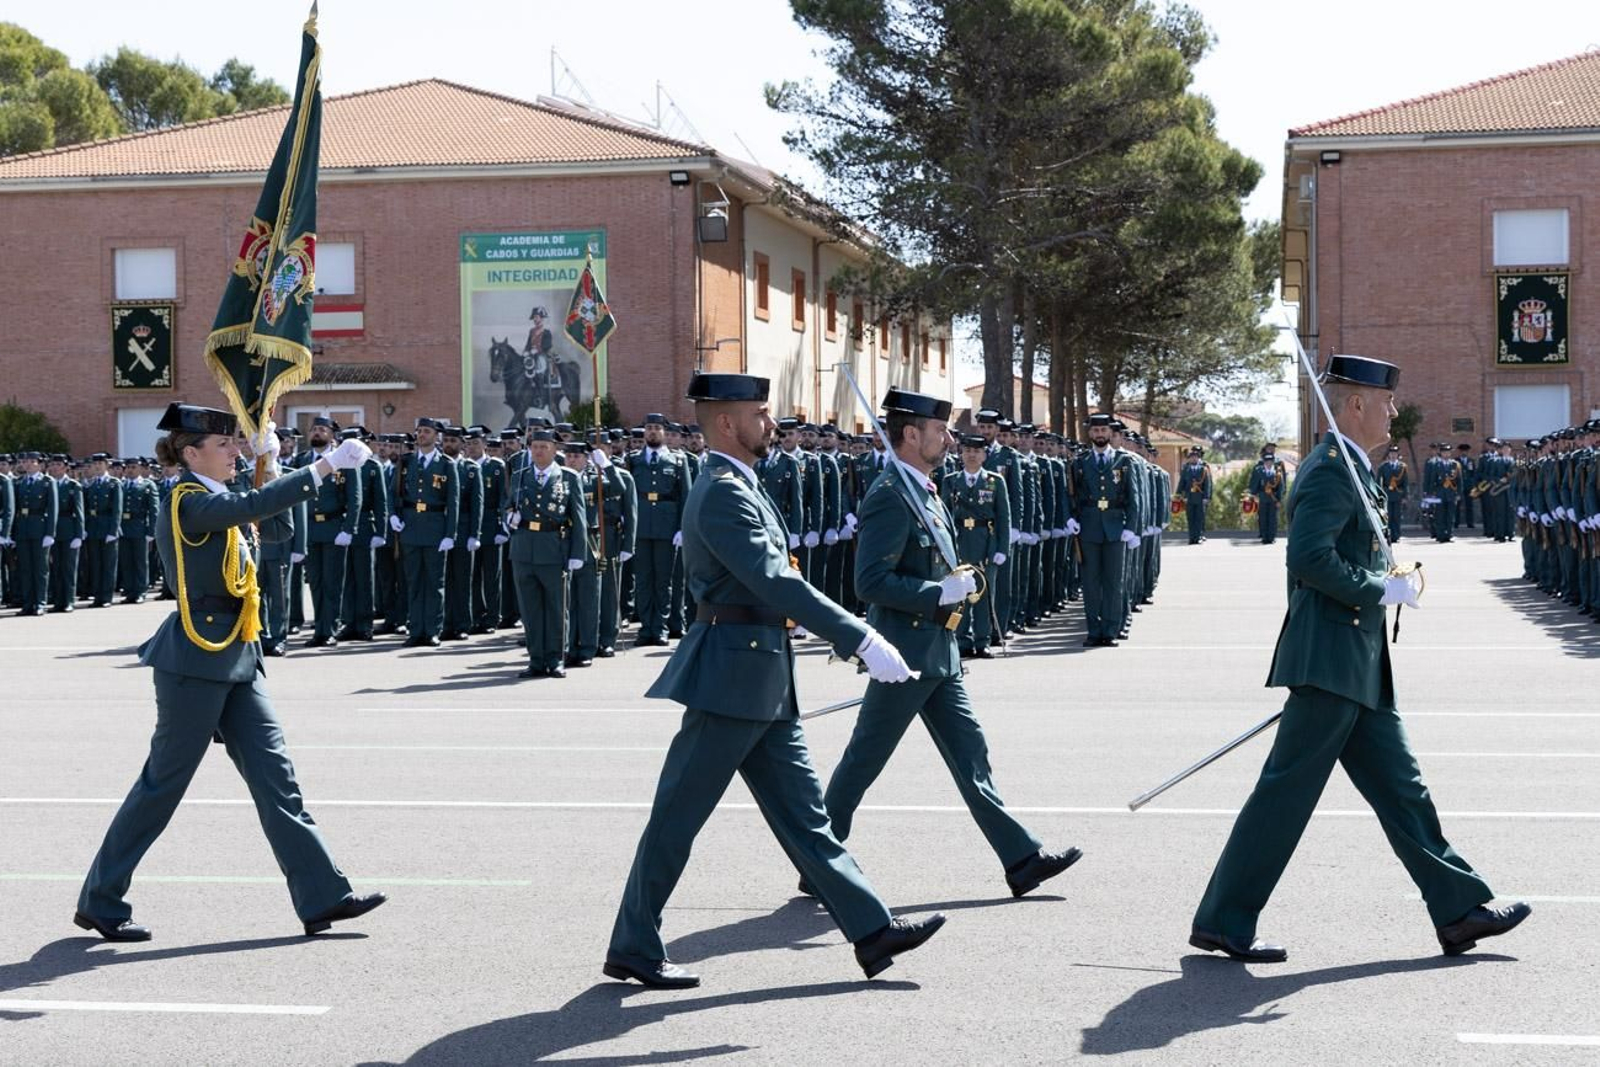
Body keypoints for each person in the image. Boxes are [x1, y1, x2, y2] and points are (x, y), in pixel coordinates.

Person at [606, 373, 945, 989]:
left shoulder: (743, 482)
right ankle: (633, 943)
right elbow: (775, 581)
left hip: (763, 672)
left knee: (807, 819)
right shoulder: (721, 490)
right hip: (731, 675)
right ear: (728, 424)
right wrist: (860, 636)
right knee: (678, 817)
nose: (771, 423)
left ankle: (870, 930)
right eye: (760, 413)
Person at [1189, 355, 1529, 963]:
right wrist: (1380, 590)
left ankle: (1457, 910)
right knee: (1285, 795)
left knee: (1405, 789)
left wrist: (1385, 577)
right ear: (1354, 406)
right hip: (1329, 658)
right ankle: (1224, 919)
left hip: (1359, 660)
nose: (1394, 413)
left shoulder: (1354, 468)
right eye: (1387, 402)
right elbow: (1309, 559)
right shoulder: (1328, 472)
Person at [74, 403, 386, 942]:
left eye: (239, 446)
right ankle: (100, 899)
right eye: (226, 446)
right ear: (191, 453)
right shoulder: (185, 501)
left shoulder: (223, 500)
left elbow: (279, 532)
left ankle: (322, 896)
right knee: (163, 786)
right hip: (196, 657)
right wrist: (320, 468)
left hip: (239, 653)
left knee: (276, 779)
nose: (236, 453)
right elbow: (251, 506)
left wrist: (274, 464)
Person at [819, 389, 1080, 898]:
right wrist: (936, 592)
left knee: (971, 755)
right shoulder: (890, 494)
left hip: (940, 650)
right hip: (905, 655)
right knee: (863, 762)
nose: (949, 439)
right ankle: (819, 860)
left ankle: (1021, 858)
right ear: (911, 435)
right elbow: (869, 581)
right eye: (939, 430)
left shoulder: (924, 489)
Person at [505, 429, 585, 678]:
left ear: (554, 450)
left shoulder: (568, 478)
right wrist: (509, 516)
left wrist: (577, 552)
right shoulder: (519, 476)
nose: (538, 451)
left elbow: (578, 518)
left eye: (543, 446)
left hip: (553, 548)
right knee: (530, 610)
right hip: (523, 549)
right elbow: (507, 505)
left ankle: (555, 658)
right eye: (534, 446)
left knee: (557, 608)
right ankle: (536, 659)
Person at [392, 417, 460, 647]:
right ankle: (415, 629)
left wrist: (450, 534)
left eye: (427, 431)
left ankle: (432, 630)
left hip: (435, 528)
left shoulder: (446, 464)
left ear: (437, 436)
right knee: (413, 581)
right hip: (410, 526)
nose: (422, 435)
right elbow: (395, 493)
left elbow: (454, 501)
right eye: (419, 431)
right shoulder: (406, 462)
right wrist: (394, 515)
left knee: (434, 583)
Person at [1071, 414, 1138, 647]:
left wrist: (1132, 528)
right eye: (1096, 431)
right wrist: (1070, 518)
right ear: (1090, 433)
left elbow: (1133, 497)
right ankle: (1093, 630)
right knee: (1090, 583)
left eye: (1104, 431)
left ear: (1110, 433)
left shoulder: (1124, 461)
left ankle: (1110, 630)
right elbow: (1071, 495)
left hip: (1115, 528)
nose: (1100, 435)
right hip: (1088, 528)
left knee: (1113, 582)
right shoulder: (1079, 462)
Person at [940, 434, 1009, 658]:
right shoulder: (950, 480)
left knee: (983, 594)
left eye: (977, 451)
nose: (972, 455)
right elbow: (943, 515)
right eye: (967, 450)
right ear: (960, 454)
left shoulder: (995, 481)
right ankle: (962, 640)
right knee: (960, 595)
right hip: (959, 542)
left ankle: (983, 640)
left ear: (984, 455)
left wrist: (1002, 549)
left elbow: (1003, 517)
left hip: (985, 542)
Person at [1247, 445, 1285, 545]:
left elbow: (1280, 487)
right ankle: (1264, 537)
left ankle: (1271, 537)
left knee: (1272, 518)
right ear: (1264, 461)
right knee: (1263, 518)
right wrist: (1253, 495)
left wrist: (1279, 500)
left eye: (1270, 462)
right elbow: (1253, 484)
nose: (1268, 464)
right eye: (1267, 462)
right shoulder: (1259, 471)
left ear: (1273, 462)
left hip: (1273, 498)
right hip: (1262, 497)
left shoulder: (1277, 472)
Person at [1179, 446, 1211, 544]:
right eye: (1192, 457)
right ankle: (1191, 538)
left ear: (1198, 458)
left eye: (1195, 457)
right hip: (1189, 497)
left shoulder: (1203, 469)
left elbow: (1207, 484)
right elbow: (1182, 483)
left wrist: (1206, 497)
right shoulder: (1186, 469)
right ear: (1189, 458)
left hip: (1199, 496)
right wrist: (1180, 495)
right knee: (1190, 518)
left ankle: (1197, 537)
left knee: (1199, 518)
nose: (1194, 458)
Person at [1376, 445, 1408, 543]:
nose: (1393, 455)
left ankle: (1396, 535)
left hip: (1398, 494)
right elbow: (1378, 481)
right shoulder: (1383, 466)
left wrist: (1405, 496)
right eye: (1391, 454)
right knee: (1388, 516)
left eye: (1395, 454)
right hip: (1387, 494)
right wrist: (1379, 494)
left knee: (1397, 516)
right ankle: (1388, 534)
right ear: (1388, 455)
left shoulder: (1402, 467)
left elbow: (1405, 482)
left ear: (1398, 454)